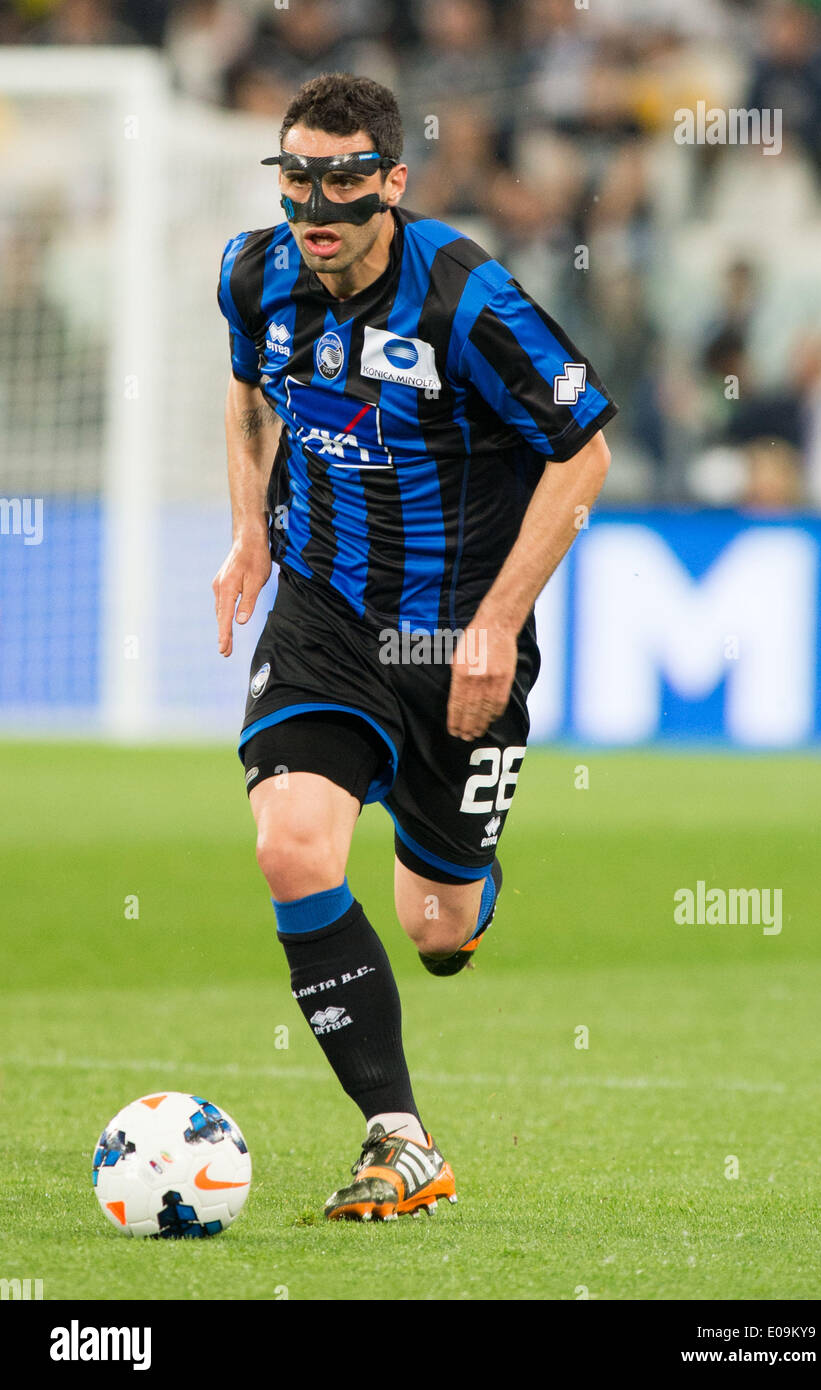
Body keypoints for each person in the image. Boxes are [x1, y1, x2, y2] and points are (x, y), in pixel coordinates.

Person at [213, 72, 615, 1221]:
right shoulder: (253, 274)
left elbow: (581, 452)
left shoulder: (464, 298)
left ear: (391, 181)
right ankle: (400, 1137)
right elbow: (248, 393)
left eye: (343, 178)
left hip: (454, 633)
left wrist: (493, 622)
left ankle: (461, 878)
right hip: (324, 613)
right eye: (296, 175)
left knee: (436, 926)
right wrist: (249, 529)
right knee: (290, 848)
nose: (316, 202)